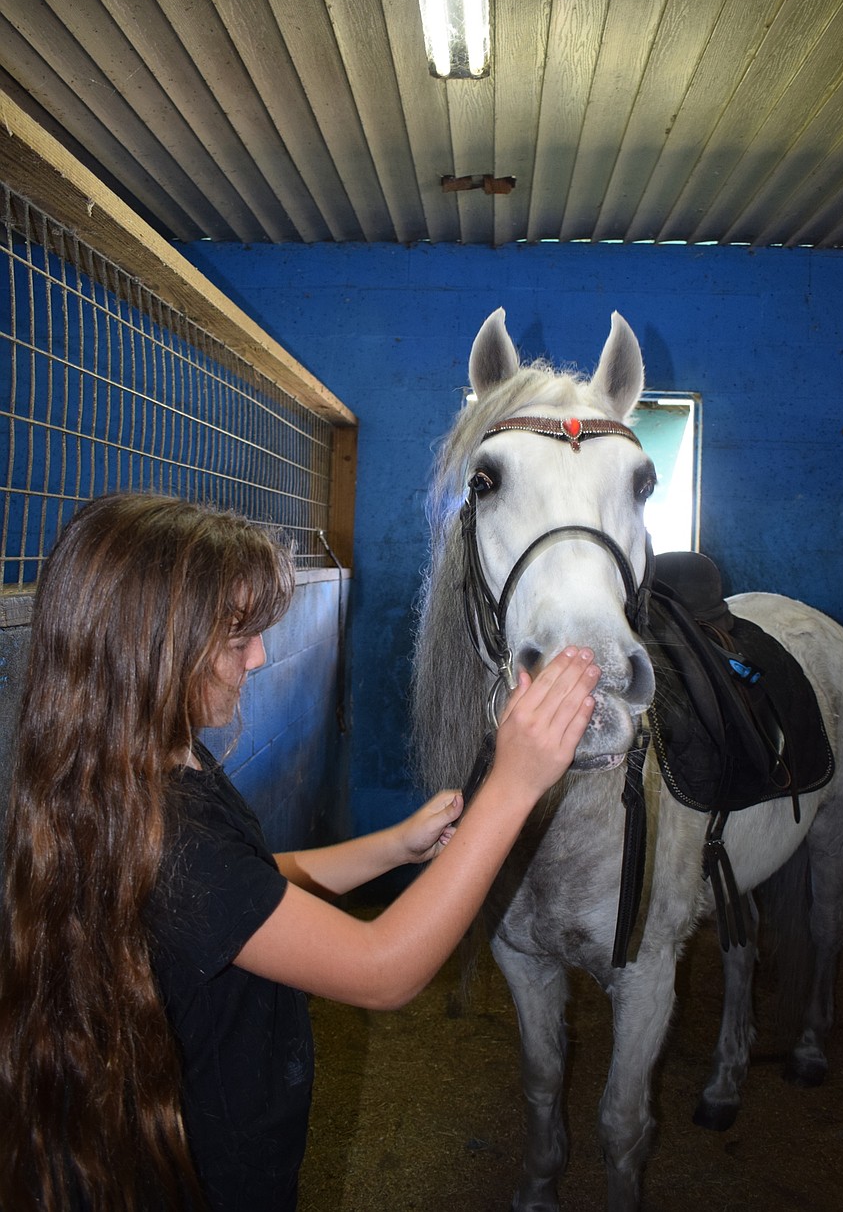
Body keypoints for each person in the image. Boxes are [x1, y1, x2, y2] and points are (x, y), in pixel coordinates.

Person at [0, 492, 598, 1212]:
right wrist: (514, 785)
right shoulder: (173, 838)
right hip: (212, 1171)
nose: (257, 654)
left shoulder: (159, 763)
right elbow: (384, 973)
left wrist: (393, 848)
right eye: (233, 634)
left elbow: (253, 895)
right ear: (151, 642)